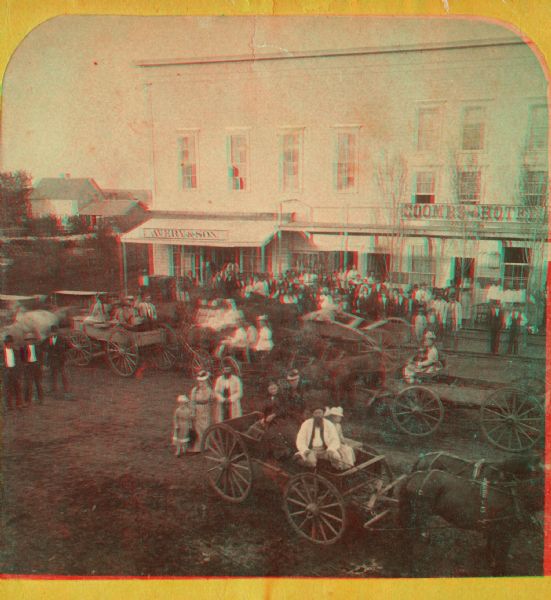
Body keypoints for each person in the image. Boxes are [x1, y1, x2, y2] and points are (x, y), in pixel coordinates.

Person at [295, 405, 343, 470]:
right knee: (311, 462)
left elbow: (335, 439)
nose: (318, 415)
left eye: (320, 413)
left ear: (323, 414)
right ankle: (311, 474)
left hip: (325, 450)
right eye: (316, 413)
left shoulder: (329, 424)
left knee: (336, 457)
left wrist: (331, 449)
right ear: (313, 414)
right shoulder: (306, 424)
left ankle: (334, 474)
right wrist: (305, 450)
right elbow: (300, 439)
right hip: (311, 450)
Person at [188, 370, 213, 453]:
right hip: (197, 410)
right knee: (197, 428)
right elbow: (192, 401)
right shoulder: (194, 390)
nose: (201, 384)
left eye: (203, 382)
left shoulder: (209, 390)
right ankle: (197, 447)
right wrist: (192, 412)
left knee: (205, 427)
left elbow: (210, 400)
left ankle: (205, 446)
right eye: (199, 382)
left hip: (205, 410)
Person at [43, 325, 70, 397]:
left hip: (60, 359)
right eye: (53, 332)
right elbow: (43, 347)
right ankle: (54, 388)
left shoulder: (62, 339)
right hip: (53, 359)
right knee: (53, 373)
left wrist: (62, 353)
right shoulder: (49, 339)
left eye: (54, 332)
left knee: (62, 374)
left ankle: (66, 389)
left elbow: (68, 346)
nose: (53, 334)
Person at [20, 331, 44, 405]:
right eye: (28, 340)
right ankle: (27, 400)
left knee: (38, 383)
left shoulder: (38, 347)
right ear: (26, 341)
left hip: (36, 366)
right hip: (28, 367)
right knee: (28, 384)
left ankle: (40, 399)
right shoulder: (23, 349)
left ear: (34, 340)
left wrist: (39, 364)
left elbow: (41, 357)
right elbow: (21, 358)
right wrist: (24, 364)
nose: (30, 341)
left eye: (31, 339)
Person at [2, 334, 22, 410]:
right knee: (7, 389)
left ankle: (18, 404)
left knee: (17, 388)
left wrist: (19, 374)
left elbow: (19, 364)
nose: (9, 344)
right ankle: (8, 405)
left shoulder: (16, 352)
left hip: (14, 372)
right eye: (7, 342)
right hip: (6, 372)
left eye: (10, 342)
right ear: (5, 343)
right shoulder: (1, 353)